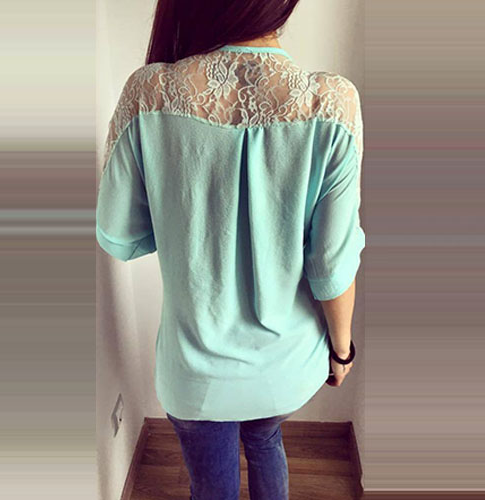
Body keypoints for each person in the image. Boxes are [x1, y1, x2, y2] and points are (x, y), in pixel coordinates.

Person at [96, 1, 364, 498]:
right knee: (265, 439)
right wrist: (342, 350)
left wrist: (187, 218)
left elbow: (119, 234)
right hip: (284, 364)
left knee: (211, 484)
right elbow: (332, 264)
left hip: (195, 369)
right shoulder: (331, 103)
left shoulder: (149, 93)